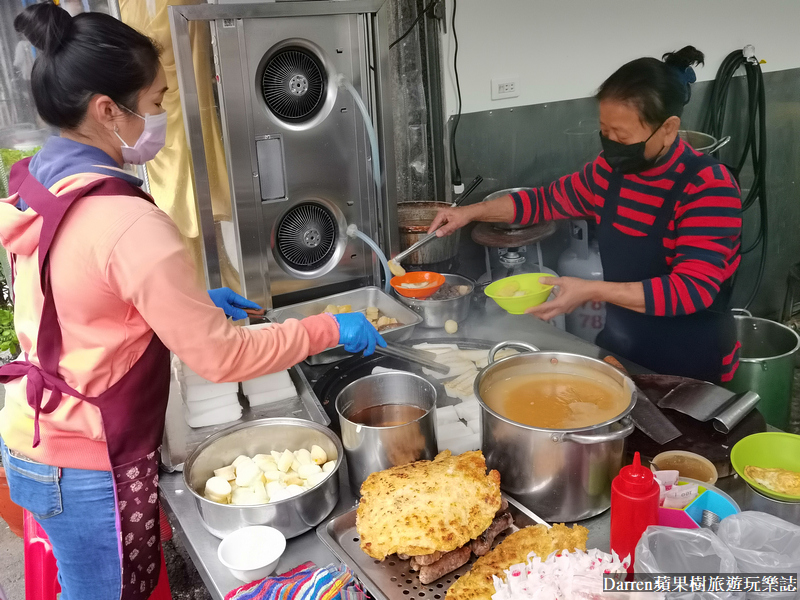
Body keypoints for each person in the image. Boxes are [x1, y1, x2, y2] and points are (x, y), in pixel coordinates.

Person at [0, 4, 384, 600]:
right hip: (86, 458)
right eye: (155, 102)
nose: (160, 117)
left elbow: (75, 291)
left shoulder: (48, 179)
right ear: (108, 110)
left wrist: (186, 299)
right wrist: (330, 326)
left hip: (38, 432)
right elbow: (220, 359)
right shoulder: (126, 220)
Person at [429, 46, 742, 384]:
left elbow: (692, 289)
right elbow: (544, 201)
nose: (611, 143)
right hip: (623, 352)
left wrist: (592, 290)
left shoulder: (708, 186)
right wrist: (469, 212)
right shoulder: (609, 172)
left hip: (691, 364)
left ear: (668, 128)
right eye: (604, 131)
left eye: (621, 135)